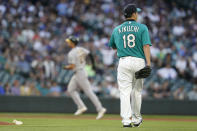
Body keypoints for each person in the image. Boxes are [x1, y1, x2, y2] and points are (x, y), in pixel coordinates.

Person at [109, 4, 152, 127]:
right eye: (137, 12)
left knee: (124, 92)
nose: (137, 14)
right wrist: (148, 63)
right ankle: (136, 118)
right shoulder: (142, 28)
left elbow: (112, 46)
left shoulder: (117, 29)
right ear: (133, 14)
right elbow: (146, 46)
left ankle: (126, 121)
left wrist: (123, 46)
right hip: (138, 61)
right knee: (137, 92)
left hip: (123, 62)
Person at [63, 36, 106, 120]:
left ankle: (100, 109)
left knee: (89, 92)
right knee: (71, 89)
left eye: (69, 42)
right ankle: (81, 106)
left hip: (80, 72)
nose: (68, 43)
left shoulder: (71, 53)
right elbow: (90, 54)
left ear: (72, 43)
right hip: (79, 72)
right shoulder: (81, 49)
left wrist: (65, 67)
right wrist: (93, 65)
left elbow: (72, 66)